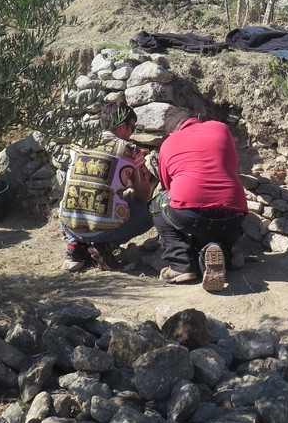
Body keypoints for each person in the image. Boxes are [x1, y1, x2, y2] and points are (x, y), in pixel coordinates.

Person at [153, 116, 248, 292]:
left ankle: (181, 265)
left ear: (172, 131)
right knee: (214, 233)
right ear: (195, 119)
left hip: (191, 215)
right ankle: (221, 252)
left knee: (157, 203)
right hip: (232, 214)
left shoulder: (169, 142)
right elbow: (232, 165)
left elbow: (168, 185)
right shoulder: (220, 127)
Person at [60, 104, 154, 272]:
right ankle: (106, 245)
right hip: (102, 231)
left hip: (69, 225)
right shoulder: (130, 151)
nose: (132, 132)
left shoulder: (79, 142)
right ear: (123, 126)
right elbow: (143, 195)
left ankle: (75, 245)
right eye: (132, 127)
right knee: (148, 211)